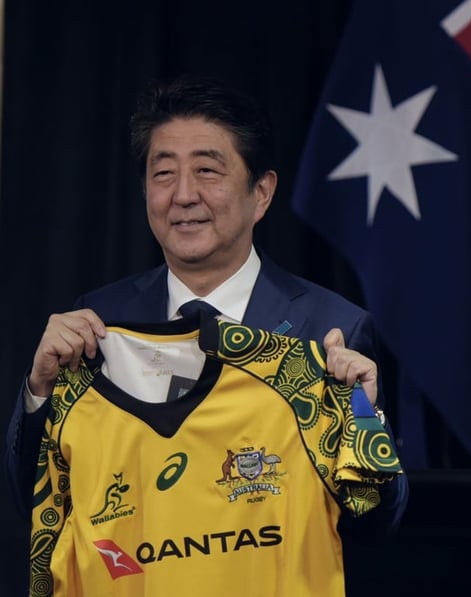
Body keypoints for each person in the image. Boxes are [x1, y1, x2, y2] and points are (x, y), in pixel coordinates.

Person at [3, 74, 408, 577]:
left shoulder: (331, 329)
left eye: (208, 171)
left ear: (261, 192)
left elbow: (376, 525)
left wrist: (365, 424)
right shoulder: (96, 324)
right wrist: (39, 393)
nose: (183, 195)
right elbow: (35, 507)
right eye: (163, 174)